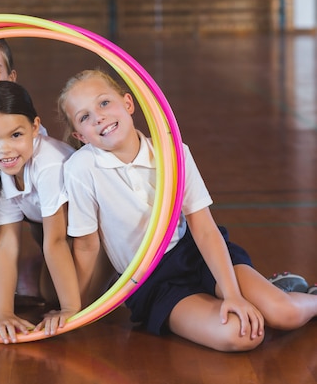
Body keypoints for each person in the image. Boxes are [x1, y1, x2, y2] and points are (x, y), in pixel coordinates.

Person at [58, 69, 317, 352]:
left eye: (104, 103)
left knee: (284, 314)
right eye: (84, 117)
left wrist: (232, 294)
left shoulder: (173, 153)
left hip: (196, 254)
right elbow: (86, 247)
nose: (98, 117)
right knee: (242, 335)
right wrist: (75, 310)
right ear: (79, 135)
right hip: (153, 280)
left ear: (128, 103)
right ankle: (266, 291)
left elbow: (204, 229)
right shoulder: (80, 169)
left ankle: (303, 297)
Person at [0, 80, 81, 344]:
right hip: (54, 234)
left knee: (59, 298)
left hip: (88, 236)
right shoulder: (6, 171)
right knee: (46, 293)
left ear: (34, 127)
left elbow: (55, 241)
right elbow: (7, 242)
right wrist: (3, 312)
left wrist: (70, 309)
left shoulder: (48, 164)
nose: (5, 149)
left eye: (16, 135)